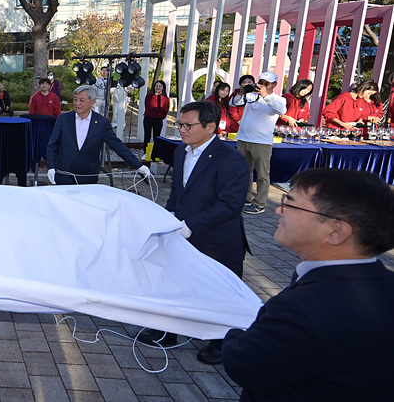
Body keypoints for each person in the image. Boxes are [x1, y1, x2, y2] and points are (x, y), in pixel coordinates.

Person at [222, 168, 394, 401]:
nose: (278, 210)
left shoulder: (300, 310)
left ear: (336, 231)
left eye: (290, 204)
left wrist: (235, 334)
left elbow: (245, 365)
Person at [138, 101, 249, 364]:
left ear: (210, 127)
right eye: (180, 124)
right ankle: (169, 331)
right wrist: (167, 217)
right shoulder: (180, 152)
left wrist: (191, 225)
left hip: (218, 239)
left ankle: (222, 342)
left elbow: (230, 205)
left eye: (188, 125)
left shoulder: (231, 159)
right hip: (182, 232)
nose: (182, 130)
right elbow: (178, 192)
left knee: (221, 293)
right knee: (177, 282)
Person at [46, 85, 149, 185]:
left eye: (82, 100)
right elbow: (53, 145)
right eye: (75, 99)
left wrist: (138, 166)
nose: (77, 103)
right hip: (63, 173)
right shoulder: (63, 119)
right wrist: (51, 167)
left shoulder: (101, 122)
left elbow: (117, 145)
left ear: (92, 102)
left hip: (88, 176)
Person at [234, 72, 286, 215]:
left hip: (262, 141)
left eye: (266, 83)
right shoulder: (251, 95)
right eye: (260, 82)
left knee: (262, 174)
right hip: (243, 138)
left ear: (274, 84)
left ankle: (260, 203)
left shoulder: (279, 99)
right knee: (244, 171)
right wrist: (241, 92)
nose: (262, 85)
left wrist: (265, 95)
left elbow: (282, 110)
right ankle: (245, 198)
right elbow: (235, 103)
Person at [142, 79, 170, 149]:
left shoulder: (165, 99)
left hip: (158, 120)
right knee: (147, 136)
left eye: (160, 86)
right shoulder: (148, 96)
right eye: (156, 86)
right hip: (148, 118)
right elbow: (147, 106)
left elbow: (165, 110)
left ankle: (155, 152)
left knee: (156, 136)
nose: (157, 87)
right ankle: (145, 151)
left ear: (163, 88)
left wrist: (160, 116)